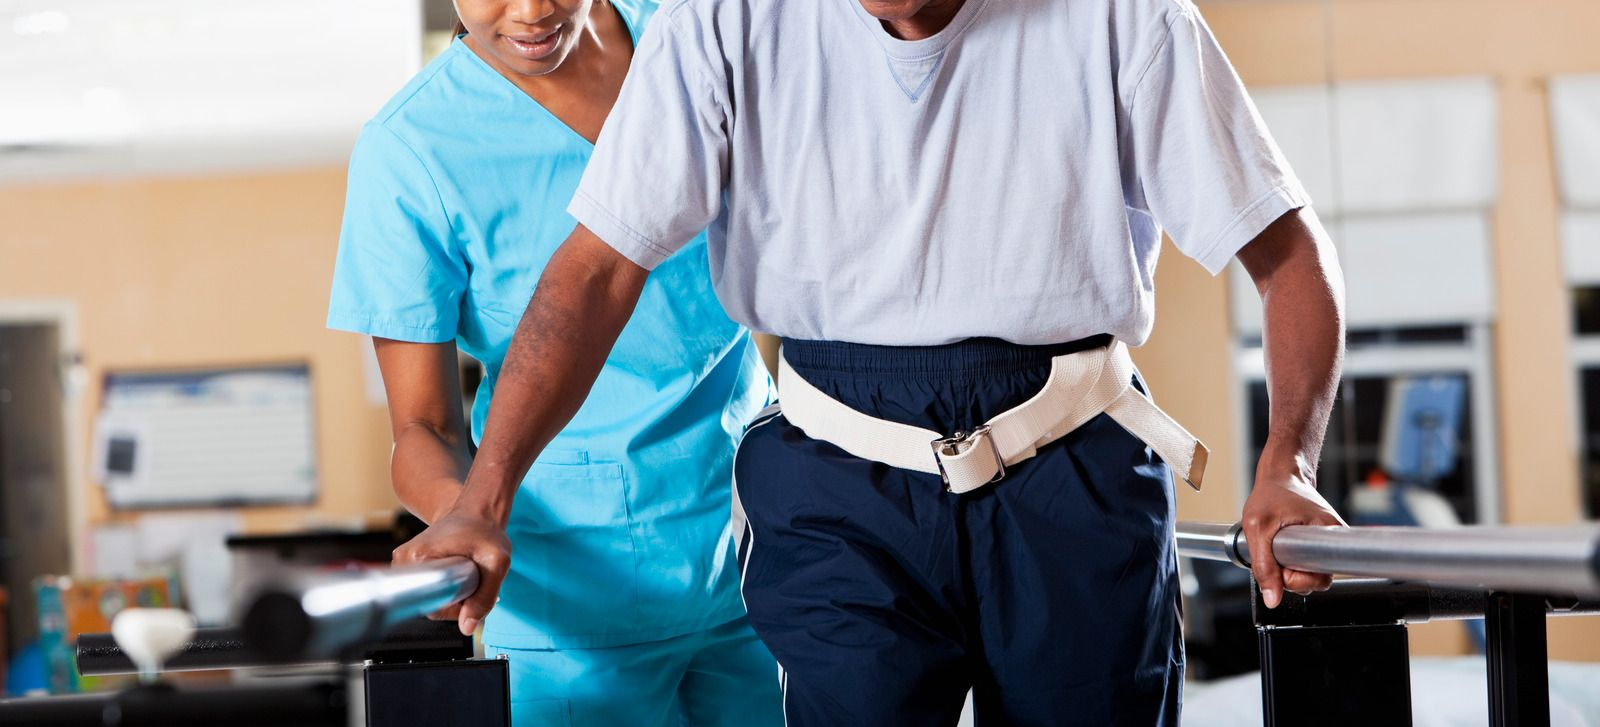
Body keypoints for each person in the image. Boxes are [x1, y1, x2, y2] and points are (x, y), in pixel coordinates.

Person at [402, 0, 1349, 723]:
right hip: (835, 481)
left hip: (1072, 463)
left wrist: (1290, 466)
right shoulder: (724, 19)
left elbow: (1288, 253)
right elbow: (599, 268)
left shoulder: (1122, 17)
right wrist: (484, 498)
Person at [325, 2, 782, 725]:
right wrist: (463, 514)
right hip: (567, 600)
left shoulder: (687, 40)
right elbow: (421, 426)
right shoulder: (410, 149)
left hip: (762, 553)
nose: (533, 10)